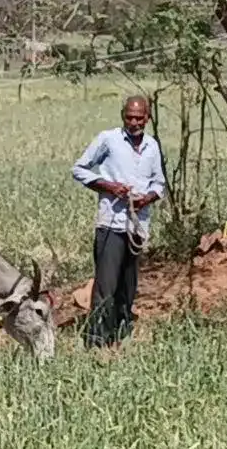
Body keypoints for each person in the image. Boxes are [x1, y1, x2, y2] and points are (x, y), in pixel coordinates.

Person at [70, 94, 166, 348]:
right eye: (129, 117)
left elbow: (159, 183)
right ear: (122, 115)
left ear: (147, 118)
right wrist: (109, 186)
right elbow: (79, 169)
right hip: (111, 222)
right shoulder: (108, 139)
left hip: (137, 225)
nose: (134, 122)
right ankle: (96, 339)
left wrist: (148, 198)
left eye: (139, 118)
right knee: (106, 284)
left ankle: (121, 333)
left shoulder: (152, 146)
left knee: (128, 283)